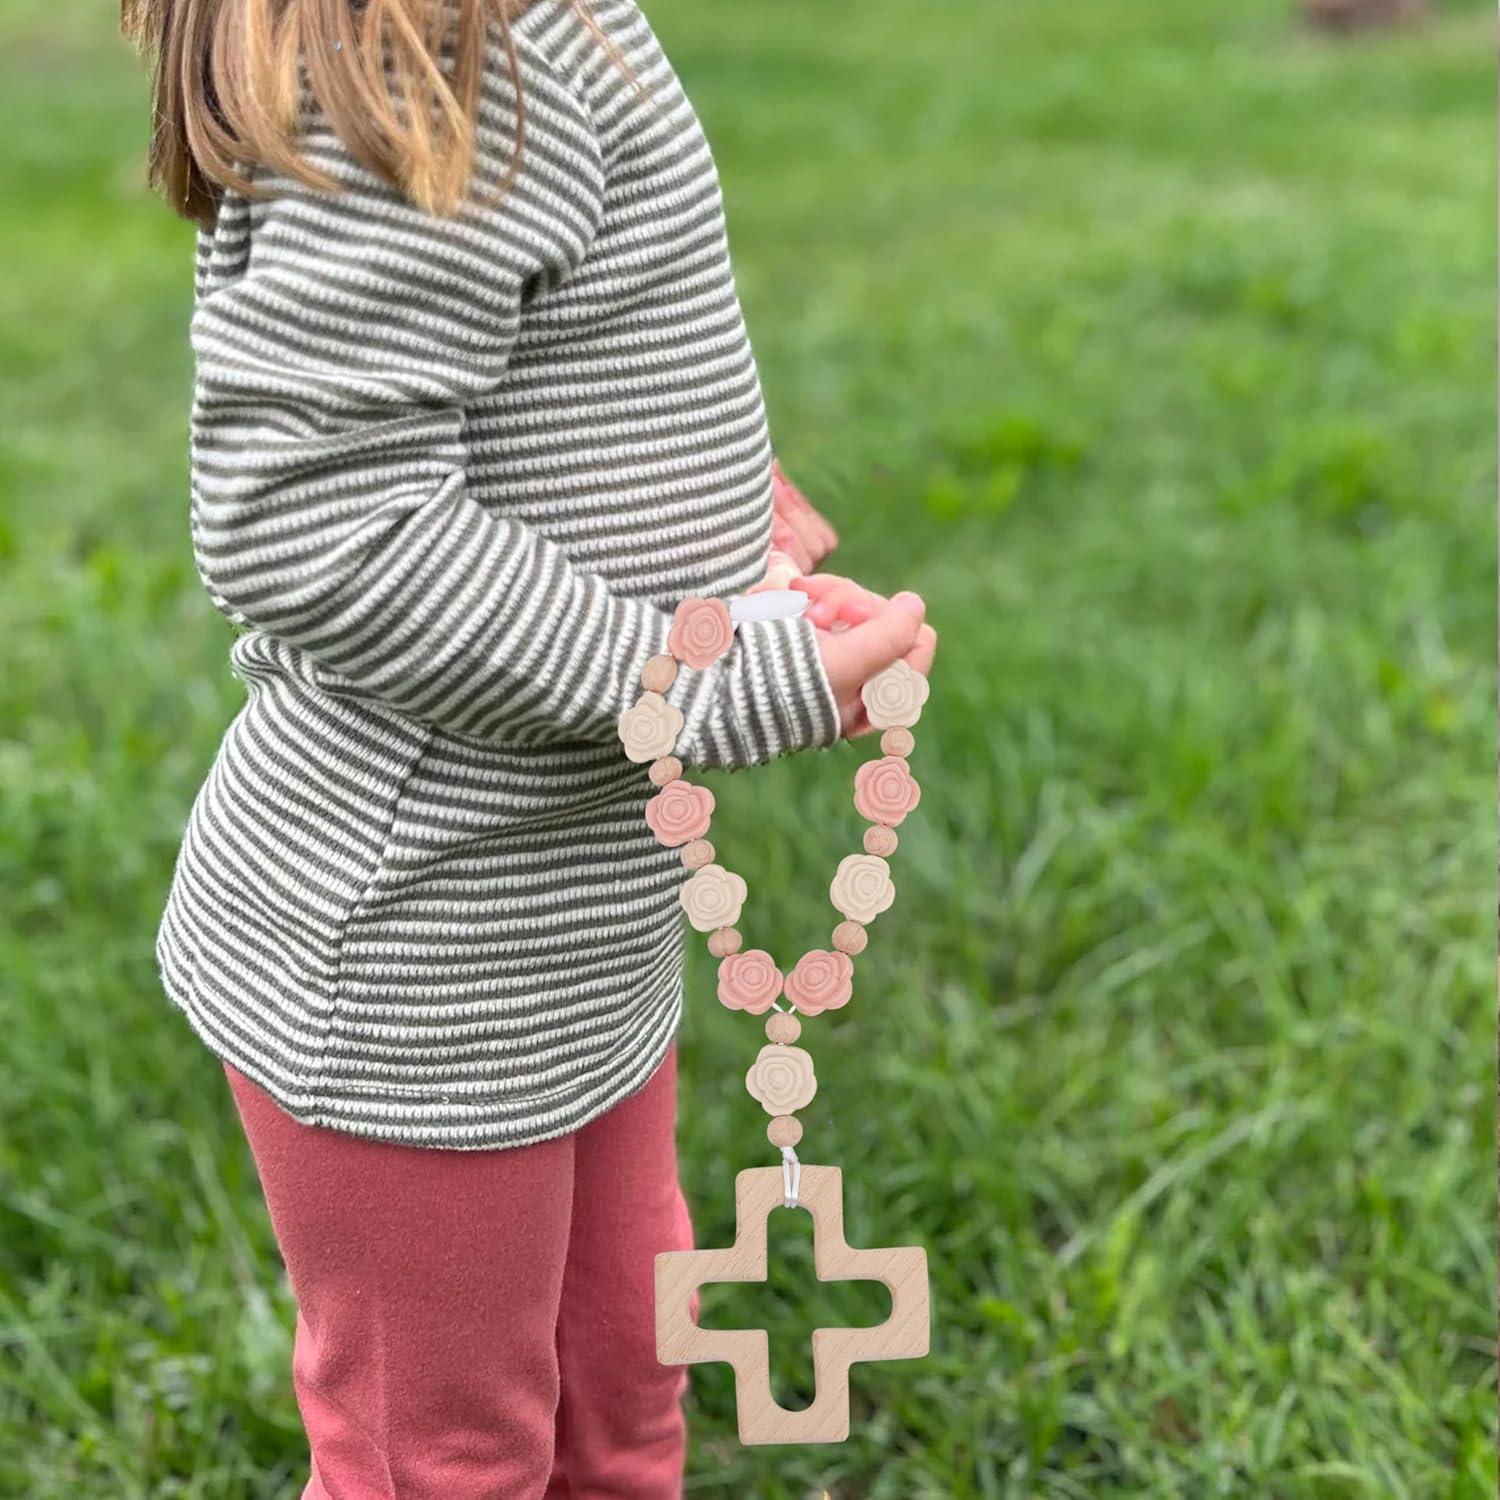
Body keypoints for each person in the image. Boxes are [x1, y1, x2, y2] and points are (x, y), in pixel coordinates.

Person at [127, 0, 937, 1492]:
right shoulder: (424, 49)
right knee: (444, 1459)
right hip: (419, 964)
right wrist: (698, 683)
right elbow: (316, 521)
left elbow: (549, 344)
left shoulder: (541, 26)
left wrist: (707, 500)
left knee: (620, 1403)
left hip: (568, 929)